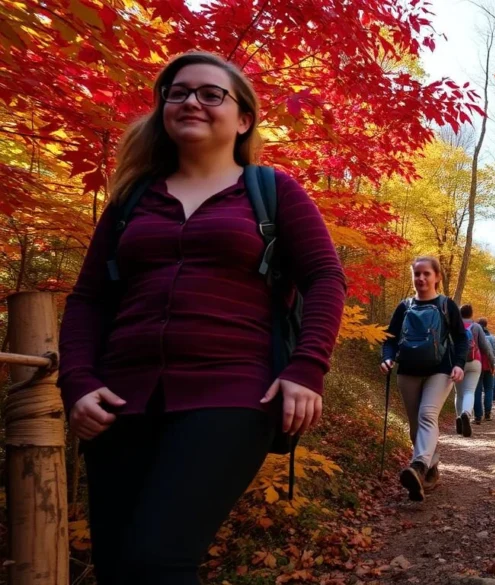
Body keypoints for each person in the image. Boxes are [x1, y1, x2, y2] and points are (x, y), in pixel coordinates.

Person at [57, 52, 346, 585]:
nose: (191, 100)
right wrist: (77, 381)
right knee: (118, 566)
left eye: (211, 93)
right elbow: (88, 299)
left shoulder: (272, 192)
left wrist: (307, 369)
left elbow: (326, 278)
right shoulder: (131, 199)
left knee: (158, 561)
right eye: (177, 91)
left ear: (243, 119)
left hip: (233, 394)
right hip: (120, 402)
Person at [381, 257, 467, 501]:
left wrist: (459, 365)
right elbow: (390, 338)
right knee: (416, 427)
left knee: (427, 415)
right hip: (407, 371)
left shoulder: (446, 306)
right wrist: (387, 358)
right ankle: (430, 470)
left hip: (440, 370)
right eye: (417, 274)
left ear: (437, 277)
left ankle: (417, 467)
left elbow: (461, 339)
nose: (421, 278)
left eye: (426, 274)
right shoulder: (404, 307)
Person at [456, 304, 495, 437]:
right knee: (469, 391)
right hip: (475, 361)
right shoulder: (477, 327)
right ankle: (466, 413)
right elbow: (486, 347)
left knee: (459, 392)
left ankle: (458, 418)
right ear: (471, 314)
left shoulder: (454, 325)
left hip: (457, 363)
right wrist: (492, 363)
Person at [478, 318, 495, 415]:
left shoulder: (474, 334)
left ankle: (478, 415)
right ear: (486, 325)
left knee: (478, 390)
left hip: (478, 364)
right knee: (489, 388)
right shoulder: (493, 338)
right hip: (490, 365)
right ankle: (488, 412)